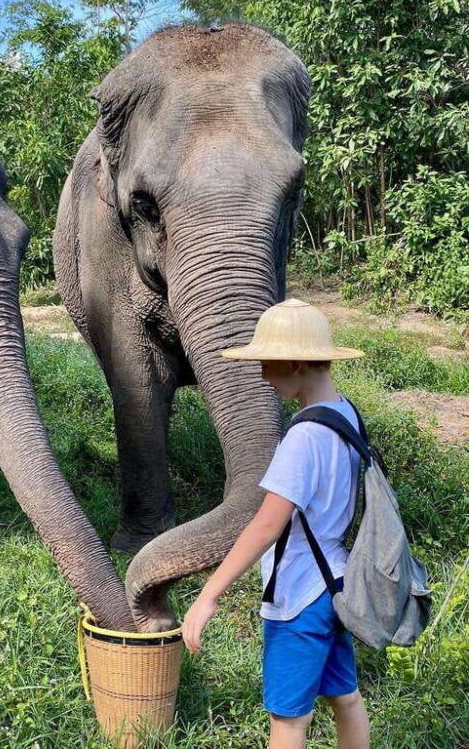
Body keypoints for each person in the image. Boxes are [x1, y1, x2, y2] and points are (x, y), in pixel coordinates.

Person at [181, 298, 371, 749]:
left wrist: (208, 597)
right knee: (346, 698)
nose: (263, 374)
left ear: (297, 361)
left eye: (268, 362)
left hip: (299, 597)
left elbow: (265, 526)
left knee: (287, 721)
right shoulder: (347, 414)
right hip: (334, 582)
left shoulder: (303, 437)